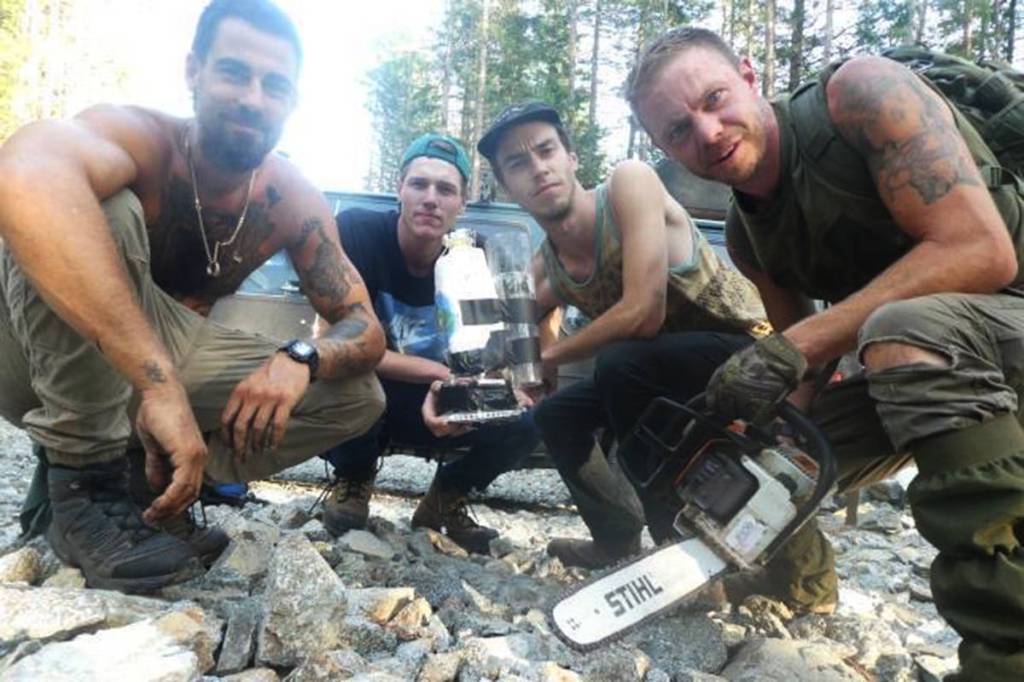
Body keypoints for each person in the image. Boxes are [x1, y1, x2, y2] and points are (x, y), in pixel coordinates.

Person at [627, 26, 1024, 681]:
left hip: (981, 323)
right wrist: (752, 445)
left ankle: (1008, 656)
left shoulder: (860, 94)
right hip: (944, 352)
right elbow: (805, 371)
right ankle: (794, 582)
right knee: (789, 453)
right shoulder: (748, 233)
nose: (707, 131)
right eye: (677, 130)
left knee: (908, 328)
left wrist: (791, 348)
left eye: (715, 98)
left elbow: (980, 249)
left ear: (751, 78)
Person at [0, 0, 386, 594]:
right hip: (35, 351)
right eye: (234, 72)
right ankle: (84, 484)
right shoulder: (141, 139)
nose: (253, 97)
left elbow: (363, 325)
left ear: (292, 101)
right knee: (102, 204)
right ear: (194, 72)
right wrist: (158, 385)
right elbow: (25, 174)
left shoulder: (288, 199)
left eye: (273, 84)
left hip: (164, 354)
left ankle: (152, 486)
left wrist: (301, 359)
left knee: (356, 394)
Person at [476, 102, 770, 569]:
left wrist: (549, 359)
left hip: (747, 354)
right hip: (657, 373)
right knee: (557, 414)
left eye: (546, 150)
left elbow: (642, 315)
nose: (538, 168)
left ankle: (674, 545)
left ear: (572, 158)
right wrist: (469, 380)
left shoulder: (627, 186)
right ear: (506, 187)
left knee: (621, 362)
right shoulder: (546, 264)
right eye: (517, 163)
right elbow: (506, 335)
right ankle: (616, 538)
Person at [316, 133, 539, 554]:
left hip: (445, 400)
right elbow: (332, 341)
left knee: (526, 418)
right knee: (338, 378)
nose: (431, 199)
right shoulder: (357, 233)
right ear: (399, 187)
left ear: (463, 202)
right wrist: (437, 374)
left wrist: (477, 386)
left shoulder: (476, 256)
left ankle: (446, 497)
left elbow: (489, 354)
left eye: (446, 189)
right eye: (419, 184)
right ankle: (354, 476)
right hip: (375, 390)